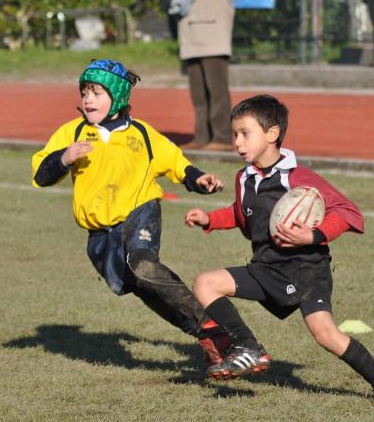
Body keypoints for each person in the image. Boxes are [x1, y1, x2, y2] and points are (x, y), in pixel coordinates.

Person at [184, 94, 374, 405]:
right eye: (234, 134)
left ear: (272, 134)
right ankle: (247, 348)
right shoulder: (245, 178)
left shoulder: (298, 178)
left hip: (306, 271)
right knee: (205, 282)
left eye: (245, 133)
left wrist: (313, 235)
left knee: (326, 335)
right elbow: (241, 215)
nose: (237, 142)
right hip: (266, 269)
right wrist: (209, 219)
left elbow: (349, 212)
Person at [31, 59, 231, 370]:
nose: (88, 99)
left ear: (119, 96)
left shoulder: (142, 134)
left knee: (144, 266)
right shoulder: (72, 132)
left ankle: (213, 327)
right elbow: (41, 175)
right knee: (145, 289)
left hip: (140, 213)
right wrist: (64, 158)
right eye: (84, 92)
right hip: (100, 234)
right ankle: (209, 336)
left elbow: (175, 163)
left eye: (97, 92)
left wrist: (199, 179)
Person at [170, 0, 236, 151]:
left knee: (217, 92)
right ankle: (201, 136)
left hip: (214, 37)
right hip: (190, 36)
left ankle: (222, 137)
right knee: (198, 94)